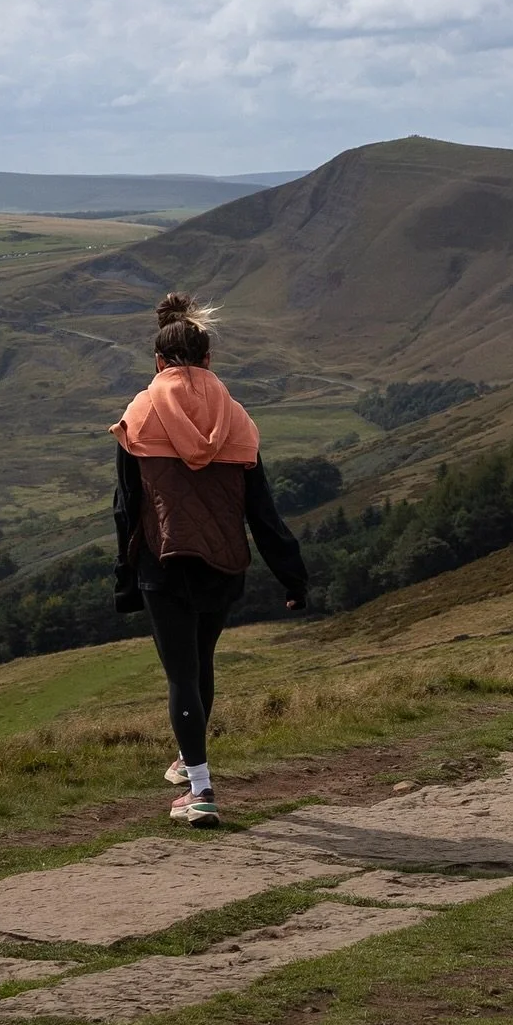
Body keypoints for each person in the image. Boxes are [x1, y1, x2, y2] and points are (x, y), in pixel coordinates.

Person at [111, 291, 309, 828]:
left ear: (159, 361)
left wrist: (125, 576)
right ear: (208, 359)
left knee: (181, 673)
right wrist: (292, 576)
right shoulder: (239, 420)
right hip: (225, 562)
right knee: (201, 664)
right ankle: (188, 762)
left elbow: (126, 507)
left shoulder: (140, 414)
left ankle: (200, 790)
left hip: (163, 561)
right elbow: (262, 510)